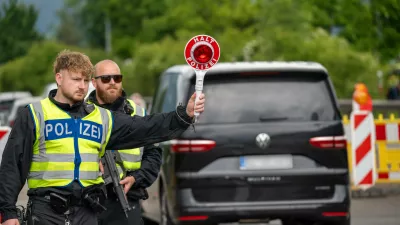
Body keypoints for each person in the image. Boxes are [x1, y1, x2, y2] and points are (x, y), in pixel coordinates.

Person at [0, 50, 205, 225]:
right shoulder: (35, 114)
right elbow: (12, 166)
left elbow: (145, 128)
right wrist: (8, 213)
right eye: (76, 79)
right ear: (59, 78)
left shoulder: (101, 118)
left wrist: (182, 116)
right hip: (47, 212)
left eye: (86, 80)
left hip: (87, 211)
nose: (82, 86)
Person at [87, 59, 161, 225]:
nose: (112, 83)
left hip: (127, 200)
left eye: (117, 78)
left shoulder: (138, 113)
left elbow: (153, 155)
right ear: (94, 82)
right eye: (106, 78)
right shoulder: (81, 114)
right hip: (88, 205)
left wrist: (136, 178)